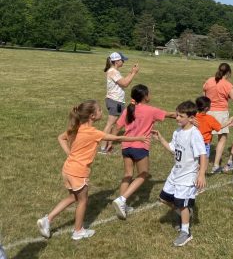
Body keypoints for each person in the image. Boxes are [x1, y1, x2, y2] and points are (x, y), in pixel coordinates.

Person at [37, 100, 148, 240]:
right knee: (82, 200)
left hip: (68, 169)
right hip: (78, 171)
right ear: (92, 116)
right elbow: (117, 137)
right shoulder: (93, 132)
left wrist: (69, 153)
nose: (102, 112)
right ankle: (78, 231)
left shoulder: (76, 128)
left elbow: (61, 138)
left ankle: (47, 219)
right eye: (100, 110)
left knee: (73, 197)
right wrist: (139, 138)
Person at [112, 84, 176, 220]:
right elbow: (170, 115)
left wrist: (109, 143)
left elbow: (117, 127)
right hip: (140, 146)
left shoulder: (129, 109)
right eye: (149, 93)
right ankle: (122, 199)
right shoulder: (150, 110)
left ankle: (122, 202)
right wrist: (187, 115)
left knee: (128, 174)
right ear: (145, 96)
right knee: (144, 174)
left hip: (126, 146)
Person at [153, 100, 207, 247]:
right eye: (176, 115)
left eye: (180, 116)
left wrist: (201, 174)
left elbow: (203, 155)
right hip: (175, 173)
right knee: (164, 198)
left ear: (191, 118)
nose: (177, 118)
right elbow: (173, 149)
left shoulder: (195, 134)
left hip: (188, 176)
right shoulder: (177, 132)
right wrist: (161, 139)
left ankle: (185, 231)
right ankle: (186, 216)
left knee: (182, 205)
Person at [202, 63, 233, 173]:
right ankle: (215, 165)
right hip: (221, 113)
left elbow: (203, 96)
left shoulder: (209, 81)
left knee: (206, 139)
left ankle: (202, 162)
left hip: (207, 112)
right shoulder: (227, 84)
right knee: (222, 139)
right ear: (228, 73)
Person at [100, 52, 139, 154]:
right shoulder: (113, 72)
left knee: (115, 124)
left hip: (115, 101)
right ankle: (103, 148)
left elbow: (123, 80)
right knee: (110, 124)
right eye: (122, 60)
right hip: (115, 101)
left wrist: (131, 73)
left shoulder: (114, 71)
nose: (123, 62)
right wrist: (134, 73)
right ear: (117, 61)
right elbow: (125, 83)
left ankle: (108, 146)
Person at [195, 96, 222, 163]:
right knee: (205, 160)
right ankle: (202, 173)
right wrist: (229, 122)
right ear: (207, 108)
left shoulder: (193, 117)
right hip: (205, 143)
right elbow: (219, 127)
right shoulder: (210, 118)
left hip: (194, 142)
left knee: (195, 160)